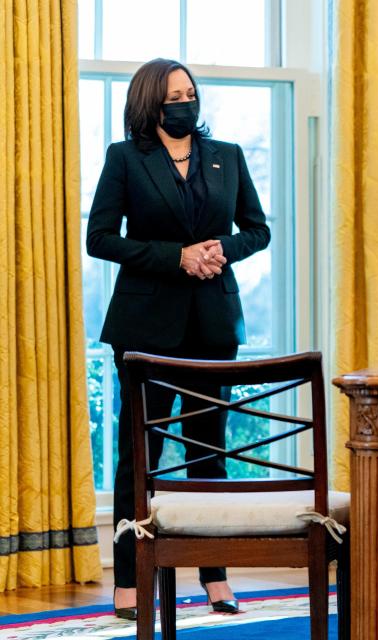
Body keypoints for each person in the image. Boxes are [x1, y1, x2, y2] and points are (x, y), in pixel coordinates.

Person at [86, 59, 270, 619]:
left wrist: (218, 250)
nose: (184, 103)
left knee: (208, 453)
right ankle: (127, 581)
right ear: (151, 103)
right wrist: (176, 257)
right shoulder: (125, 159)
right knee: (139, 459)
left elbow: (257, 230)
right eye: (173, 95)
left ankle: (214, 578)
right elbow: (100, 238)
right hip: (144, 330)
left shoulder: (228, 156)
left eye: (190, 93)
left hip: (213, 327)